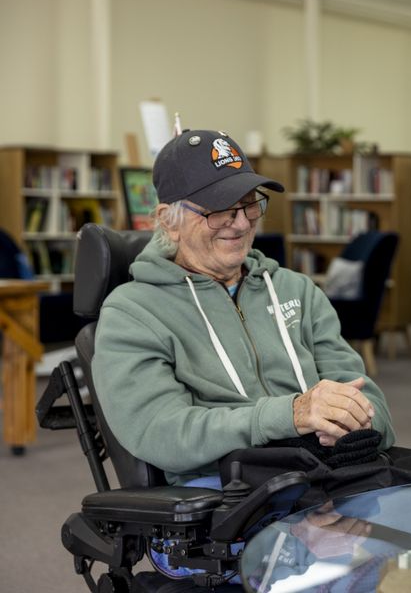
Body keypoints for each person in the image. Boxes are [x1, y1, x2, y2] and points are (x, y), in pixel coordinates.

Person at [92, 129, 395, 487]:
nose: (241, 223)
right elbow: (161, 432)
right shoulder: (132, 313)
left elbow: (372, 404)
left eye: (250, 204)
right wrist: (290, 416)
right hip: (226, 495)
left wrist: (357, 420)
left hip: (329, 473)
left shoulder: (296, 290)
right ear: (168, 221)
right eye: (220, 210)